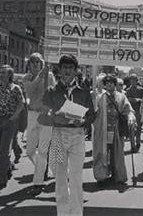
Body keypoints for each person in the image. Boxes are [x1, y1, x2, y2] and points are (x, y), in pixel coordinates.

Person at [42, 54, 95, 216]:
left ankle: (77, 213)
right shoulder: (51, 91)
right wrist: (53, 117)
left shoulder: (84, 92)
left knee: (76, 178)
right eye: (64, 67)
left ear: (76, 70)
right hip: (58, 134)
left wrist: (84, 121)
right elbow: (43, 115)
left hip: (77, 135)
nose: (67, 71)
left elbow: (93, 115)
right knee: (60, 179)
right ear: (59, 69)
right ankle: (63, 213)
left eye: (70, 68)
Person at [0, 65, 25, 191]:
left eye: (4, 73)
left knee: (4, 152)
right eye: (0, 72)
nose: (1, 75)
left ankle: (1, 180)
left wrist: (14, 117)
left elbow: (22, 103)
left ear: (10, 75)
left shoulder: (16, 88)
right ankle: (9, 166)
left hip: (9, 121)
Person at [22, 53, 56, 196]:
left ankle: (38, 182)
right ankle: (43, 170)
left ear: (42, 63)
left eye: (38, 62)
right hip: (32, 114)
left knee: (42, 150)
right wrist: (40, 76)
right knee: (30, 151)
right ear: (29, 65)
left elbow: (53, 93)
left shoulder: (49, 76)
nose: (35, 64)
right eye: (32, 62)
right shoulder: (26, 78)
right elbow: (29, 91)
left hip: (45, 115)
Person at [93, 74, 136, 185]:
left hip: (117, 129)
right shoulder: (100, 97)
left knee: (117, 153)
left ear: (115, 84)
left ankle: (117, 175)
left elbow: (129, 110)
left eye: (111, 83)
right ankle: (101, 176)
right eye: (107, 83)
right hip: (102, 130)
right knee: (101, 153)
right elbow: (93, 111)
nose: (109, 85)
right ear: (104, 85)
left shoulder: (121, 97)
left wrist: (131, 117)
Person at [126, 74, 143, 153]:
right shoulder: (128, 90)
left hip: (139, 110)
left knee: (139, 128)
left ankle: (138, 142)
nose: (132, 81)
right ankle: (133, 146)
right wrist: (137, 100)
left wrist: (137, 100)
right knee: (131, 129)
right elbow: (129, 100)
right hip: (131, 111)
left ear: (137, 81)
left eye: (134, 80)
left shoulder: (141, 89)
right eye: (131, 80)